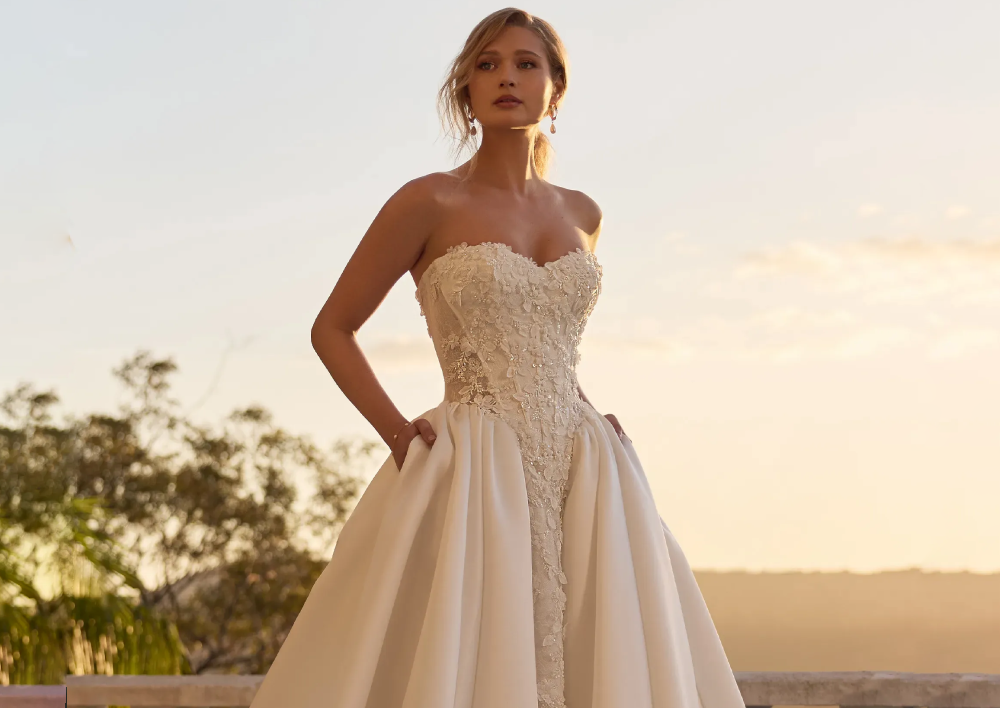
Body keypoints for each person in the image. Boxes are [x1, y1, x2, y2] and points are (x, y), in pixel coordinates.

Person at [249, 7, 745, 708]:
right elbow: (332, 328)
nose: (505, 77)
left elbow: (547, 338)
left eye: (525, 63)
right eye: (486, 64)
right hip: (474, 462)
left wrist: (584, 408)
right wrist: (398, 434)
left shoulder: (584, 213)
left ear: (556, 89)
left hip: (588, 464)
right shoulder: (427, 200)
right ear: (466, 93)